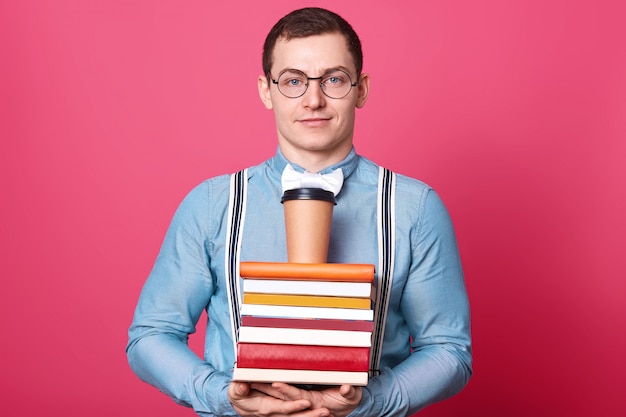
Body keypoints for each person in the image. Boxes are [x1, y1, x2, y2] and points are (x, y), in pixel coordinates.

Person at [127, 7, 472, 417]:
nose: (314, 100)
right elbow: (151, 335)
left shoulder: (414, 208)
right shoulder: (210, 205)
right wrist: (225, 397)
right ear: (265, 90)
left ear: (361, 89)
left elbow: (448, 349)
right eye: (293, 81)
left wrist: (370, 403)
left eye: (334, 79)